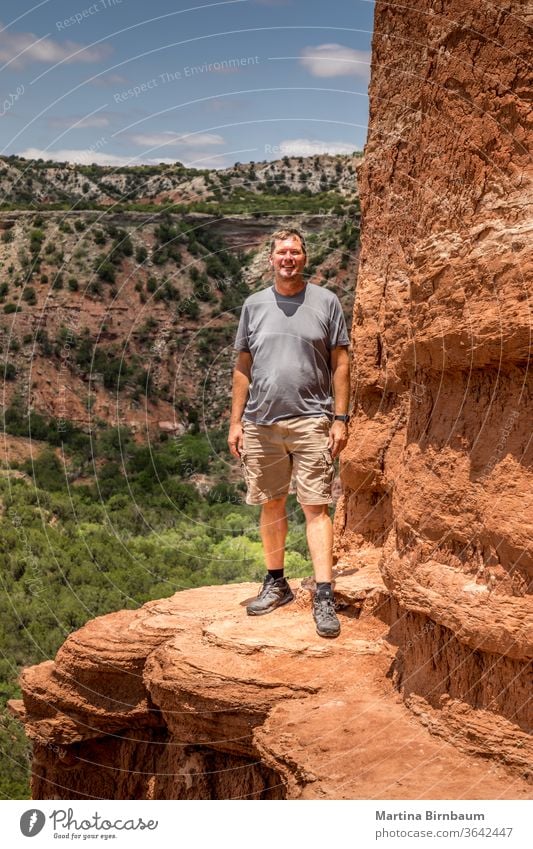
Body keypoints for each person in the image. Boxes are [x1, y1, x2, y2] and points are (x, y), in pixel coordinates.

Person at [228, 228, 350, 637]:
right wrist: (235, 421)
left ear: (304, 258)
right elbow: (243, 366)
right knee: (271, 503)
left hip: (313, 420)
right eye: (282, 252)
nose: (288, 258)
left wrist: (341, 418)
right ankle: (276, 582)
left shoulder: (326, 302)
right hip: (261, 423)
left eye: (295, 252)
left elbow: (341, 363)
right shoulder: (254, 305)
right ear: (271, 259)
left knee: (316, 505)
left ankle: (323, 594)